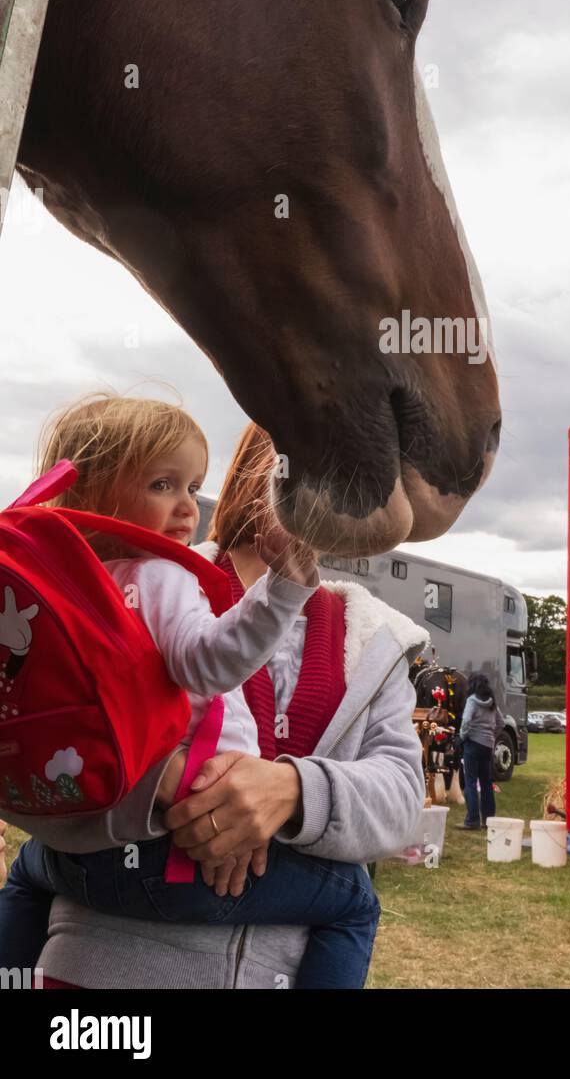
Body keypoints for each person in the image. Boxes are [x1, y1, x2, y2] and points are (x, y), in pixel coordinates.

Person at [0, 397, 427, 989]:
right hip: (99, 963)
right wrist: (167, 782)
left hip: (148, 910)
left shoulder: (375, 638)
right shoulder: (164, 576)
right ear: (259, 471)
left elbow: (405, 799)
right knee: (354, 901)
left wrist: (291, 789)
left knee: (28, 872)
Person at [456, 673, 505, 830]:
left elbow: (466, 721)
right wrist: (491, 736)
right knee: (486, 783)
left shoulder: (471, 700)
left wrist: (462, 737)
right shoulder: (492, 702)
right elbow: (501, 723)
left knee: (470, 782)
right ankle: (488, 820)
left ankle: (472, 821)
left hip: (472, 744)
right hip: (487, 746)